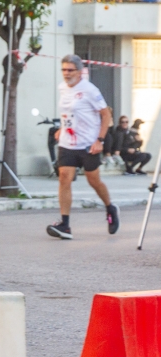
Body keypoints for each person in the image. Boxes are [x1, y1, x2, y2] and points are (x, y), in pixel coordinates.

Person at [49, 54, 119, 240]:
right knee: (64, 177)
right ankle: (65, 225)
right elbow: (68, 113)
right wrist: (61, 129)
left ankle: (110, 208)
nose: (66, 73)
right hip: (68, 142)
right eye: (64, 70)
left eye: (70, 70)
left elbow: (106, 116)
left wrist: (100, 140)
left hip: (88, 143)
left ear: (80, 72)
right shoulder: (62, 88)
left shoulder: (90, 90)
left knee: (93, 180)